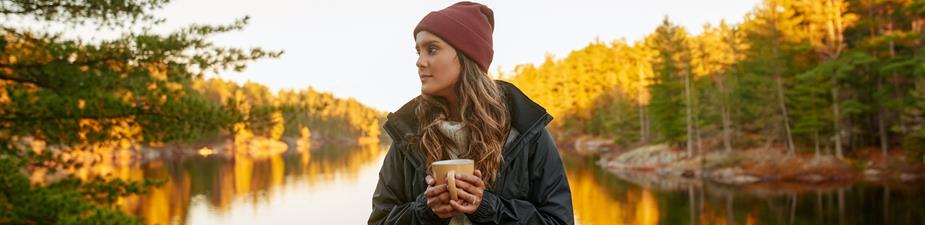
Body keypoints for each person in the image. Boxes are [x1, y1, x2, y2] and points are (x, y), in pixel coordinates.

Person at [368, 2, 574, 225]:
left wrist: (489, 208)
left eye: (432, 49)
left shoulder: (524, 131)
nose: (419, 62)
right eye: (418, 52)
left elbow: (559, 221)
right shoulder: (408, 133)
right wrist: (425, 211)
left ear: (467, 55)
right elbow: (379, 221)